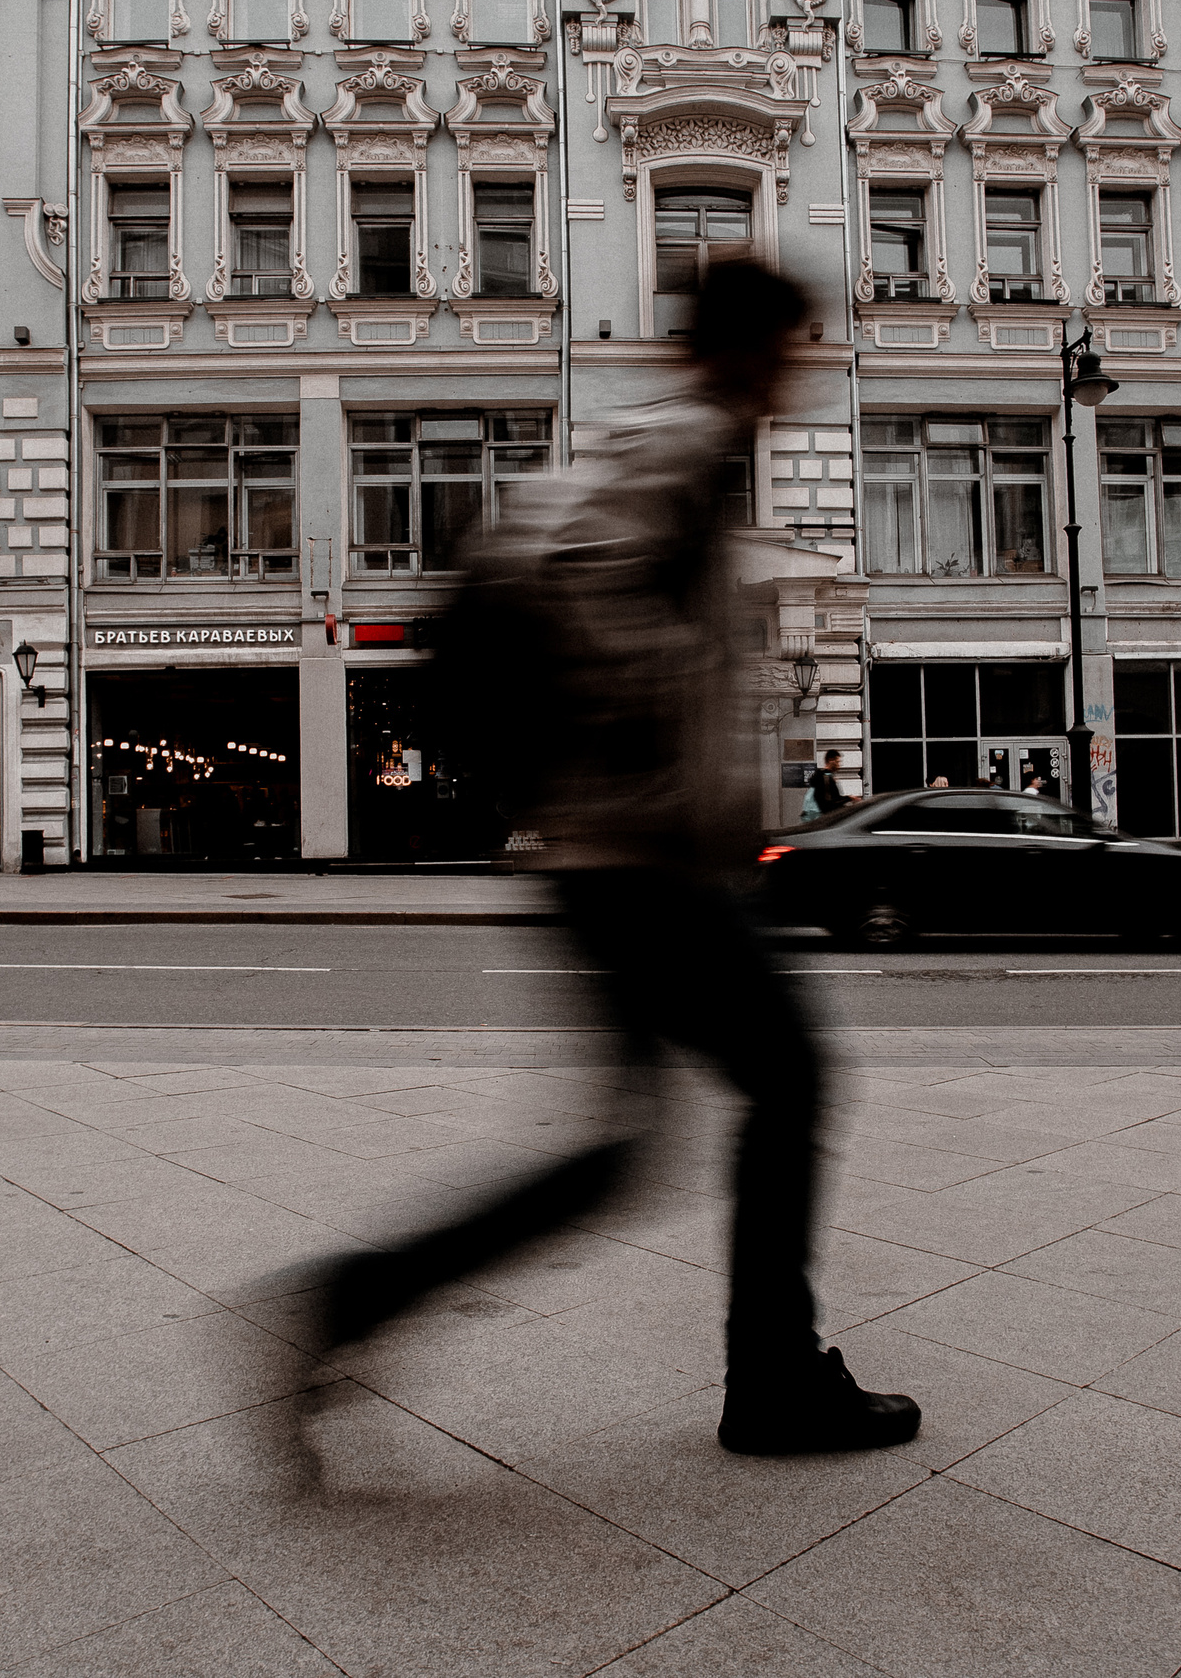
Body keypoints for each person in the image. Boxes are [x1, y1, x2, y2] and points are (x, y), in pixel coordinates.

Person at [307, 260, 919, 1458]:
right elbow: (583, 582)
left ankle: (358, 1302)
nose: (806, 368)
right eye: (800, 345)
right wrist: (655, 774)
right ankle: (777, 1383)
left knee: (618, 1154)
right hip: (639, 861)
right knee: (787, 1082)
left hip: (609, 857)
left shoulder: (674, 447)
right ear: (755, 350)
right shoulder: (685, 448)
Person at [804, 750, 849, 822]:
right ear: (830, 760)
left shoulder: (825, 775)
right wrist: (849, 798)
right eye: (837, 762)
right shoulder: (825, 777)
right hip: (824, 819)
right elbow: (831, 802)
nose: (839, 765)